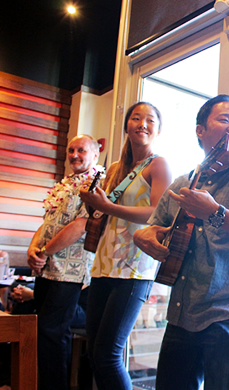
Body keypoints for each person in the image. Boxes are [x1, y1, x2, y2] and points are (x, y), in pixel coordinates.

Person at [133, 94, 229, 390]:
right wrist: (143, 235)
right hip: (180, 313)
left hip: (228, 316)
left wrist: (216, 213)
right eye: (225, 119)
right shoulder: (182, 183)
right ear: (200, 131)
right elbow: (152, 227)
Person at [79, 101, 172, 389]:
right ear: (127, 126)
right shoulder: (115, 167)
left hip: (134, 269)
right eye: (136, 118)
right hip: (104, 265)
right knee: (94, 351)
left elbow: (159, 212)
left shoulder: (159, 164)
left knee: (107, 354)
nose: (142, 124)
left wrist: (107, 206)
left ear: (157, 130)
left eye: (150, 120)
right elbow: (101, 211)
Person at [26, 134, 100, 390]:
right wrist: (33, 249)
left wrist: (44, 251)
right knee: (41, 329)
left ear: (95, 155)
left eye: (81, 150)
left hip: (69, 272)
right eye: (71, 150)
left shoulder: (96, 183)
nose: (74, 155)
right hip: (45, 269)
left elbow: (81, 226)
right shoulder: (66, 183)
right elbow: (47, 223)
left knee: (52, 332)